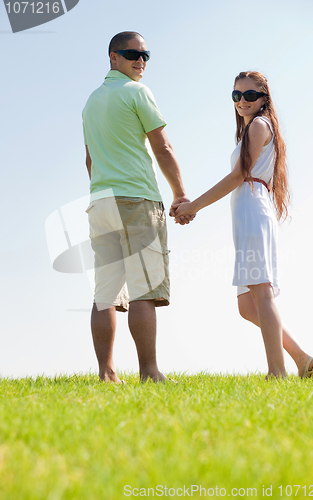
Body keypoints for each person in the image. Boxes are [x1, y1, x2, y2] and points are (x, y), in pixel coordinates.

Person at [173, 71, 313, 379]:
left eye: (250, 95)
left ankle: (276, 372)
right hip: (248, 215)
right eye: (236, 95)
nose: (242, 101)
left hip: (254, 212)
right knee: (248, 306)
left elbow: (239, 174)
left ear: (263, 99)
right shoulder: (250, 129)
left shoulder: (258, 125)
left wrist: (193, 206)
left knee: (262, 294)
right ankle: (302, 358)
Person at [82, 31, 193, 383]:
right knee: (144, 290)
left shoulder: (90, 102)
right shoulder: (137, 93)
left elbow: (89, 160)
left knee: (105, 295)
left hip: (100, 203)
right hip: (137, 200)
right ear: (113, 57)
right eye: (132, 54)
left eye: (145, 55)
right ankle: (149, 372)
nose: (140, 61)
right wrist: (180, 194)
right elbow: (163, 149)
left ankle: (106, 373)